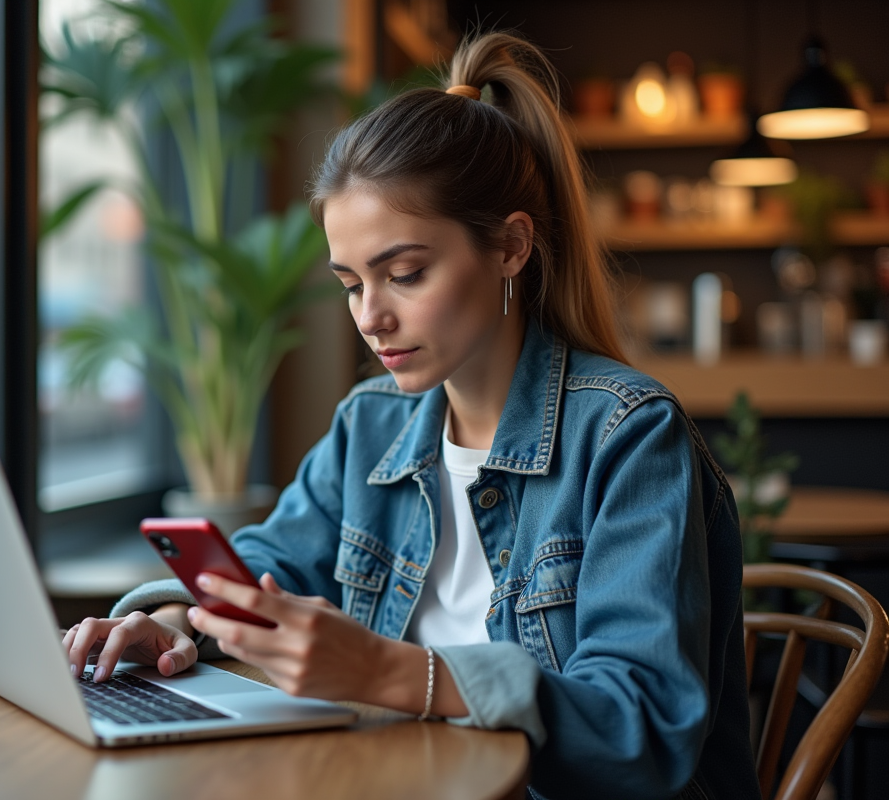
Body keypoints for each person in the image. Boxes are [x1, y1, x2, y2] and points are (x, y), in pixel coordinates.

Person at [62, 31, 759, 800]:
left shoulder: (627, 436)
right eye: (352, 283)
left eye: (405, 274)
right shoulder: (372, 427)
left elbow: (644, 726)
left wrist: (387, 671)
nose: (371, 317)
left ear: (511, 248)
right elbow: (267, 568)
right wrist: (172, 620)